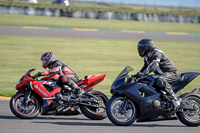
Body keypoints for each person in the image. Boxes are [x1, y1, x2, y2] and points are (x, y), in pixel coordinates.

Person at [135, 38, 181, 110]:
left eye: (141, 48)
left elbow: (154, 66)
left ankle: (175, 100)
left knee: (160, 80)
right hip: (163, 74)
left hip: (173, 73)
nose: (139, 50)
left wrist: (143, 73)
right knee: (147, 80)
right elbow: (145, 67)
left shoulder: (156, 53)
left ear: (147, 48)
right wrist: (137, 75)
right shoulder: (147, 57)